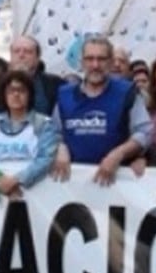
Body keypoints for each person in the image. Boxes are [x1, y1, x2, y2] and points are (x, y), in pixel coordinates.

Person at [50, 36, 150, 186]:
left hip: (117, 185)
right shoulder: (65, 95)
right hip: (73, 185)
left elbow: (145, 132)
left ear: (110, 62)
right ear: (81, 62)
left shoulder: (127, 92)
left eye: (101, 59)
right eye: (89, 59)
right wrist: (60, 147)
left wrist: (119, 154)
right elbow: (52, 132)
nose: (95, 65)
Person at [0, 70, 61, 199]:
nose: (16, 94)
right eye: (10, 90)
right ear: (4, 95)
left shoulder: (44, 124)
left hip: (33, 195)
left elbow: (45, 159)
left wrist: (16, 180)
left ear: (30, 94)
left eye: (21, 90)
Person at [0, 35, 64, 116]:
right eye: (16, 51)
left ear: (37, 58)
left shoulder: (55, 84)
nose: (21, 55)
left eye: (28, 51)